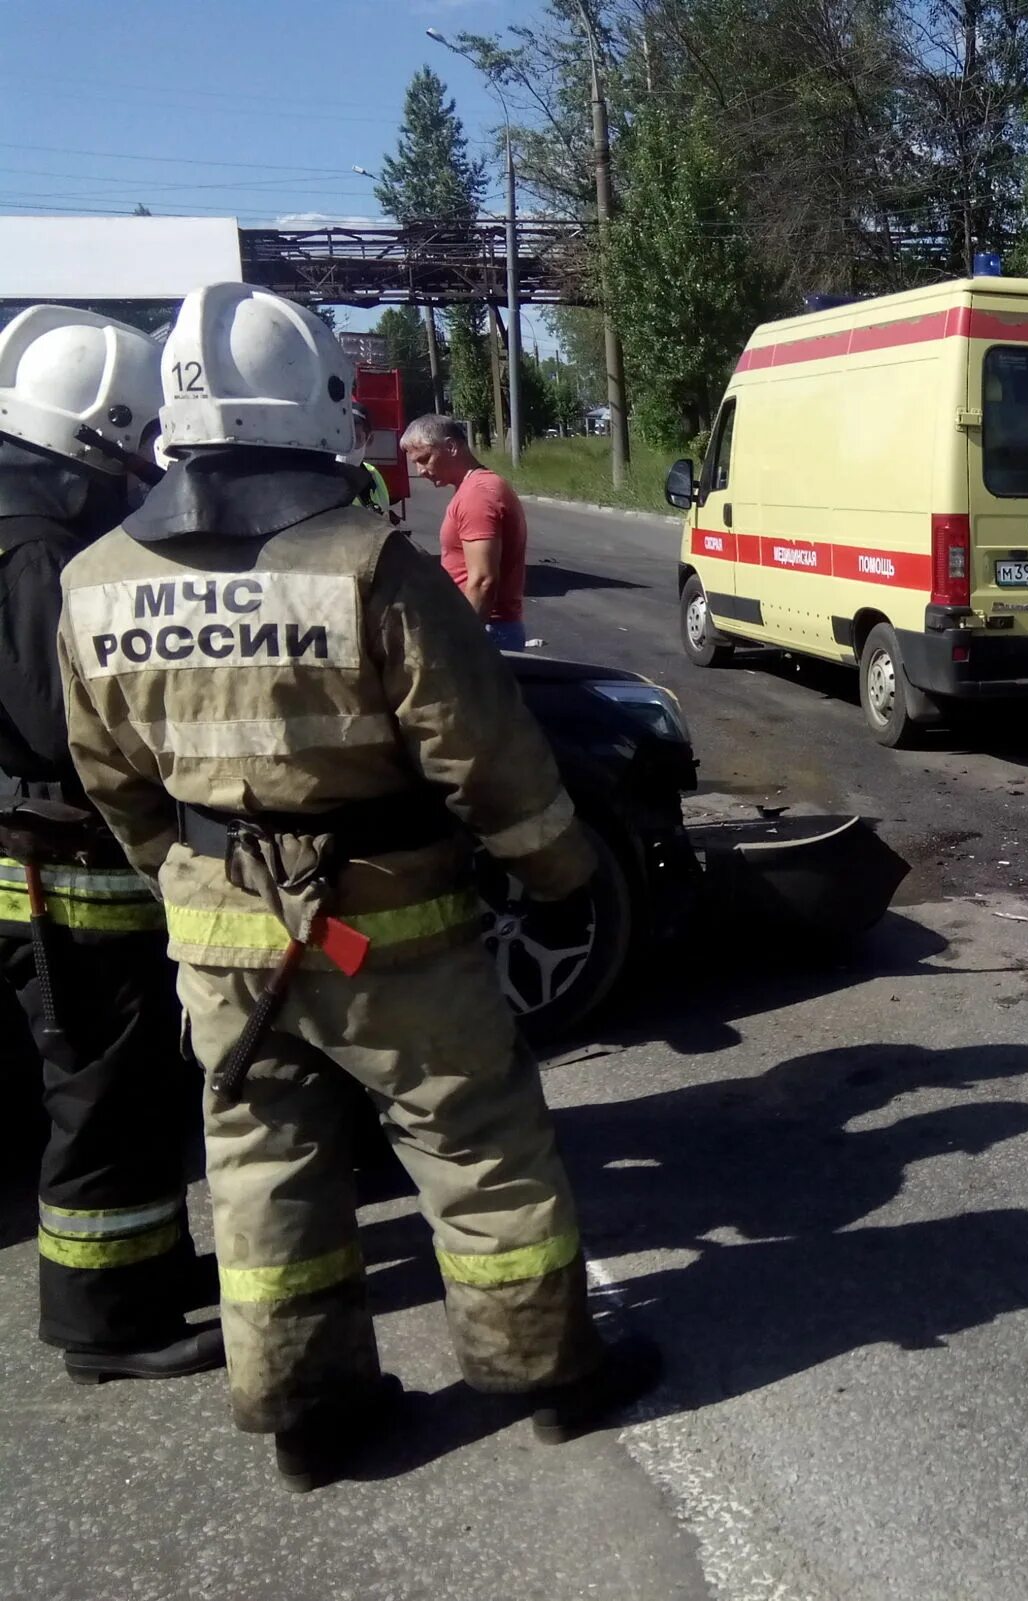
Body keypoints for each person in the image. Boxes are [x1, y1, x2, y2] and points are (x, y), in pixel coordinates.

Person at [56, 283, 658, 1491]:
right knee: (476, 1140)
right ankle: (546, 1374)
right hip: (395, 928)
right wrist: (558, 871)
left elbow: (111, 780)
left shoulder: (96, 576)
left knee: (264, 1160)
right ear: (324, 409)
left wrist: (188, 884)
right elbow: (483, 751)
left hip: (224, 941)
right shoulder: (369, 566)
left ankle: (308, 1415)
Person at [0, 305, 224, 1385]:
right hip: (57, 878)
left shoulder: (22, 514)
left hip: (56, 871)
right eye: (139, 446)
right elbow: (61, 721)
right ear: (106, 432)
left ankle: (150, 1268)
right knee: (96, 1097)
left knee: (129, 1087)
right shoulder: (38, 543)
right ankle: (106, 1324)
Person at [402, 413, 530, 649]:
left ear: (451, 447)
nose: (420, 471)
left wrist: (464, 642)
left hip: (487, 632)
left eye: (425, 459)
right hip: (488, 629)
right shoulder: (475, 487)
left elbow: (483, 581)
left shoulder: (477, 495)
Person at [346, 404, 395, 522]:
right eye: (342, 437)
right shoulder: (315, 478)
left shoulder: (373, 476)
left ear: (369, 440)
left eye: (356, 438)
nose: (347, 446)